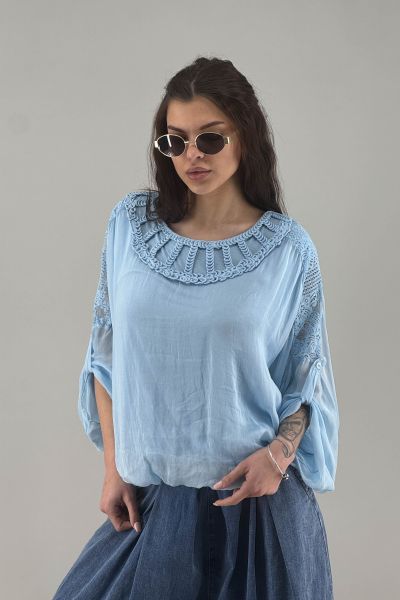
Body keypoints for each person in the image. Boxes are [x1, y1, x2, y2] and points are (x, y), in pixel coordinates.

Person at [52, 56, 339, 600]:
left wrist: (278, 457)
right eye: (175, 141)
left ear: (245, 136)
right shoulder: (129, 226)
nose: (191, 155)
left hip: (257, 511)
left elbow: (306, 379)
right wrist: (114, 469)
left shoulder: (289, 250)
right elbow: (104, 355)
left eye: (209, 139)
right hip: (155, 505)